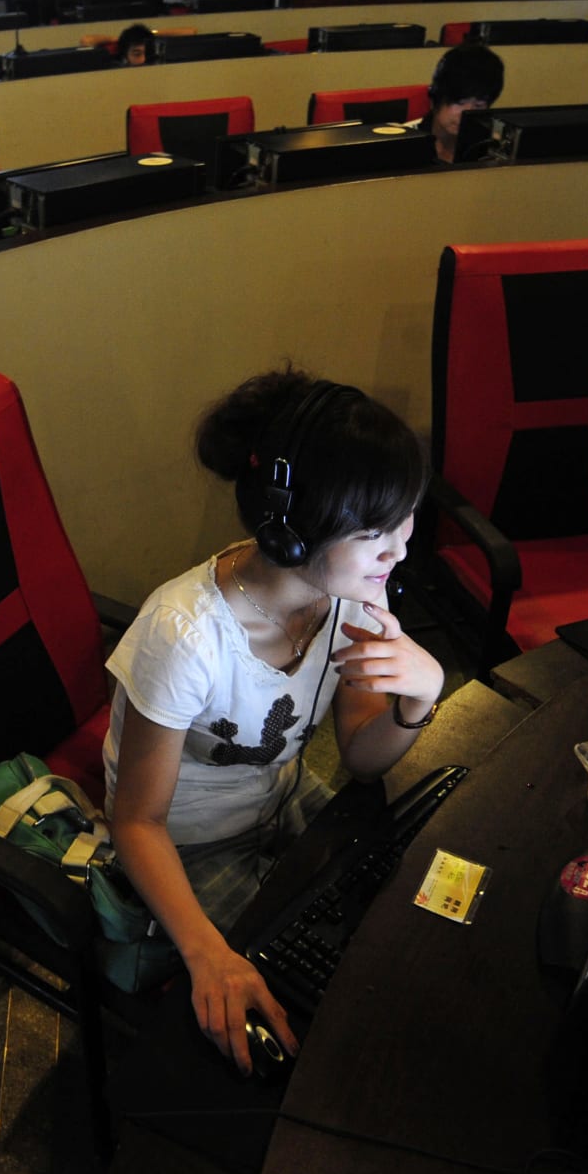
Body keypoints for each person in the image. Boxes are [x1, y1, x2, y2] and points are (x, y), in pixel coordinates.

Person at [105, 370, 443, 1074]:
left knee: (402, 913)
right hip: (187, 848)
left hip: (283, 808)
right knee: (307, 1007)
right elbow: (135, 823)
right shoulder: (184, 634)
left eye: (406, 519)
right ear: (290, 534)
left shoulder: (349, 596)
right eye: (375, 532)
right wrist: (206, 955)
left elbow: (361, 755)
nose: (400, 550)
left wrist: (419, 700)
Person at [405, 42, 505, 164]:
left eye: (479, 105)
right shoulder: (406, 142)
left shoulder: (493, 148)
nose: (466, 113)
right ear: (437, 97)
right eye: (460, 102)